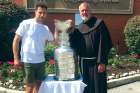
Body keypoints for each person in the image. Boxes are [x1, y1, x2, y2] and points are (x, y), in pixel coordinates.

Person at [68, 2, 112, 93]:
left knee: (98, 87)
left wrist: (102, 62)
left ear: (90, 11)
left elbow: (103, 44)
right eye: (82, 11)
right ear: (79, 13)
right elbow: (73, 45)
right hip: (84, 63)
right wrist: (70, 31)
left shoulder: (99, 24)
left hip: (96, 63)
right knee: (86, 86)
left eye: (86, 10)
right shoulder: (79, 28)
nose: (84, 12)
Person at [12, 3, 54, 93]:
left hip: (41, 61)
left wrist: (58, 30)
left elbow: (53, 41)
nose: (42, 15)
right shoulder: (26, 23)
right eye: (40, 12)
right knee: (29, 87)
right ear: (35, 12)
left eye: (44, 13)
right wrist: (16, 58)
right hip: (28, 61)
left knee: (38, 86)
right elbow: (16, 40)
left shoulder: (45, 28)